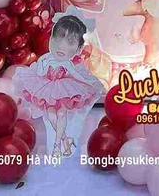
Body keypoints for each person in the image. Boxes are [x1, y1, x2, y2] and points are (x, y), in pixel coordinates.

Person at [14, 12, 104, 156]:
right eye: (58, 39)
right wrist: (44, 65)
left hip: (64, 89)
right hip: (47, 88)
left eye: (70, 42)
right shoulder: (46, 58)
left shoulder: (68, 63)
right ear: (51, 39)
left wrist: (88, 82)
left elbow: (75, 74)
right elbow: (41, 72)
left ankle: (57, 146)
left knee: (62, 114)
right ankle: (65, 140)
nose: (62, 46)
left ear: (79, 49)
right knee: (51, 116)